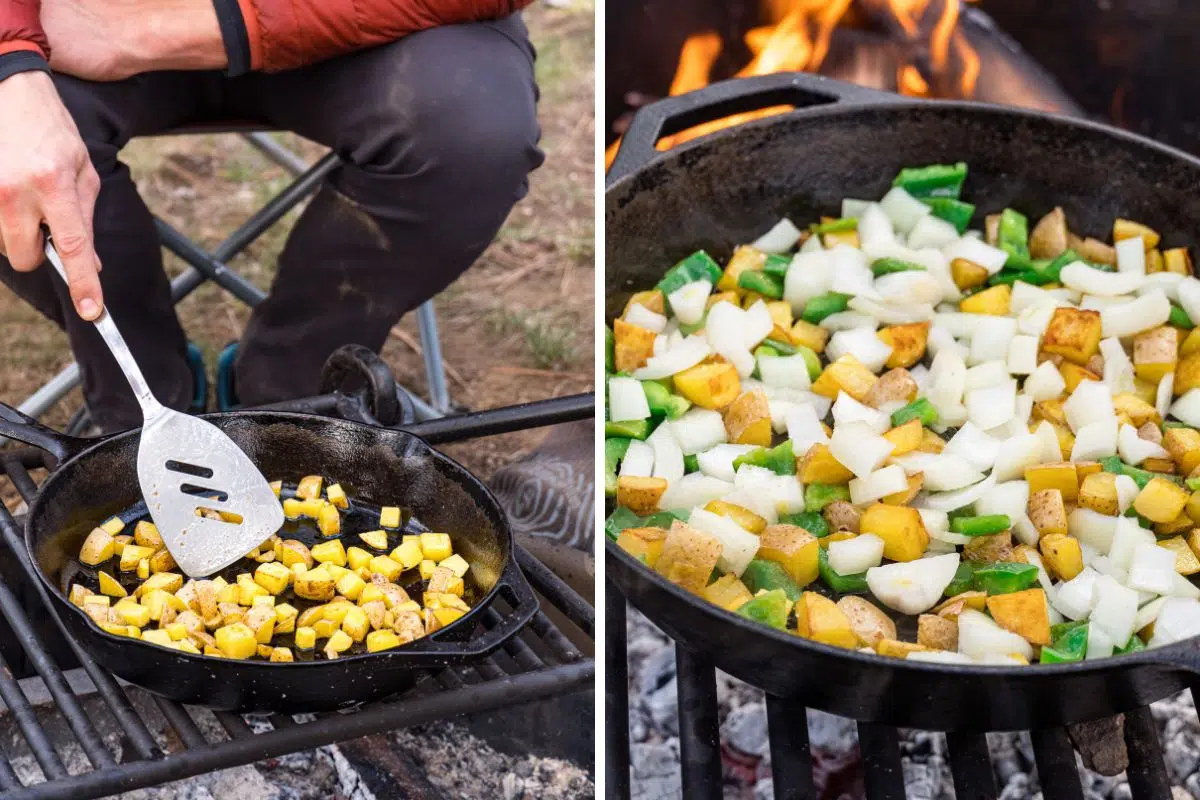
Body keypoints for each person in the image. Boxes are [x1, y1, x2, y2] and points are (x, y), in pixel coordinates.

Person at [0, 0, 543, 432]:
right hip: (67, 21)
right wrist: (9, 58)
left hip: (373, 22)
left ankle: (293, 400)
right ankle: (141, 411)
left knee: (471, 137)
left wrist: (189, 27)